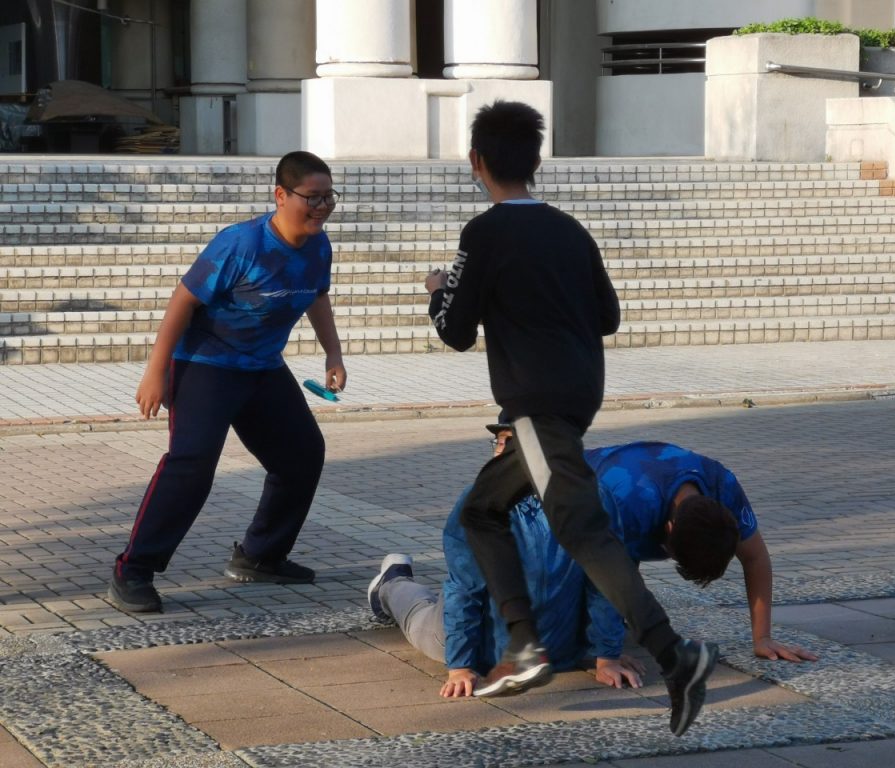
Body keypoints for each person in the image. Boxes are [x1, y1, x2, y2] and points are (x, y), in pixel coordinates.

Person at [424, 100, 717, 737]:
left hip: (535, 406)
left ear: (478, 163)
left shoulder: (484, 233)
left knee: (586, 534)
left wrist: (437, 291)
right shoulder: (570, 230)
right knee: (482, 511)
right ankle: (525, 643)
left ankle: (676, 657)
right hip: (574, 400)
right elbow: (608, 316)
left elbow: (454, 330)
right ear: (536, 161)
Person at [368, 427, 816, 700]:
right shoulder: (613, 501)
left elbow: (754, 556)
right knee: (436, 621)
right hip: (487, 615)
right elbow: (465, 587)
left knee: (585, 603)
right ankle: (392, 583)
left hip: (565, 560)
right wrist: (462, 664)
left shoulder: (722, 491)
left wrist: (763, 636)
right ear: (669, 532)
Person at [107, 150, 346, 614]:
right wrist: (155, 371)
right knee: (191, 465)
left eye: (328, 198)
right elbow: (183, 302)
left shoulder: (319, 245)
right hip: (206, 365)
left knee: (301, 455)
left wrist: (332, 353)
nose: (321, 207)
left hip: (262, 367)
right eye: (311, 198)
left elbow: (317, 296)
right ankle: (132, 570)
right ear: (281, 195)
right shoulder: (240, 243)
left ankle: (260, 555)